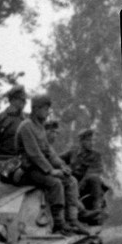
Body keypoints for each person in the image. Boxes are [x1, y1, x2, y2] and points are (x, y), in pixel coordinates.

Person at [16, 94, 87, 235]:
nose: (48, 112)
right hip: (27, 170)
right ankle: (59, 223)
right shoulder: (26, 127)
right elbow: (34, 154)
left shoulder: (40, 127)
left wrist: (61, 166)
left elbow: (49, 152)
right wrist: (51, 171)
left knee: (71, 181)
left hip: (39, 169)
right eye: (45, 108)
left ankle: (72, 219)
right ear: (36, 109)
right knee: (55, 183)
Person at [62, 128, 111, 224]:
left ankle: (96, 209)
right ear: (81, 141)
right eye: (89, 140)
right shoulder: (73, 152)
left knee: (94, 178)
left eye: (93, 140)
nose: (92, 143)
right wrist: (62, 167)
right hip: (72, 185)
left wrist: (80, 185)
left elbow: (93, 172)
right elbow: (58, 159)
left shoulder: (96, 156)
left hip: (87, 188)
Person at [0, 84, 27, 156]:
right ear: (13, 100)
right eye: (22, 100)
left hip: (27, 161)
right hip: (6, 160)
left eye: (25, 100)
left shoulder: (27, 120)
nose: (25, 103)